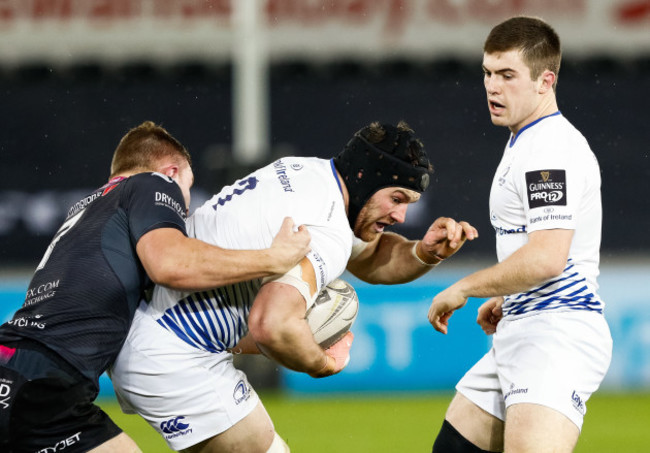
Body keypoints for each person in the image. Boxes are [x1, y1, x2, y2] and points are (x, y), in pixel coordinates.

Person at [109, 120, 478, 452]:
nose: (401, 216)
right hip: (174, 355)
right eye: (396, 199)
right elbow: (272, 325)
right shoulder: (327, 231)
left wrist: (424, 252)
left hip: (143, 328)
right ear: (366, 177)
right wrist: (322, 363)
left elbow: (368, 256)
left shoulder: (307, 175)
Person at [0, 121, 311, 452]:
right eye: (187, 188)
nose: (185, 207)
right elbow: (172, 264)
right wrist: (274, 259)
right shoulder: (151, 184)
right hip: (43, 381)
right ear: (172, 171)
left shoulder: (91, 210)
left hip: (20, 367)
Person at [427, 16, 613, 453]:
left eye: (508, 75)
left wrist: (465, 287)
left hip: (556, 336)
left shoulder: (550, 149)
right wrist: (511, 293)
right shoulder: (527, 140)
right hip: (525, 322)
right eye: (488, 73)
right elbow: (537, 252)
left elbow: (548, 258)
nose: (493, 87)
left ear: (546, 80)